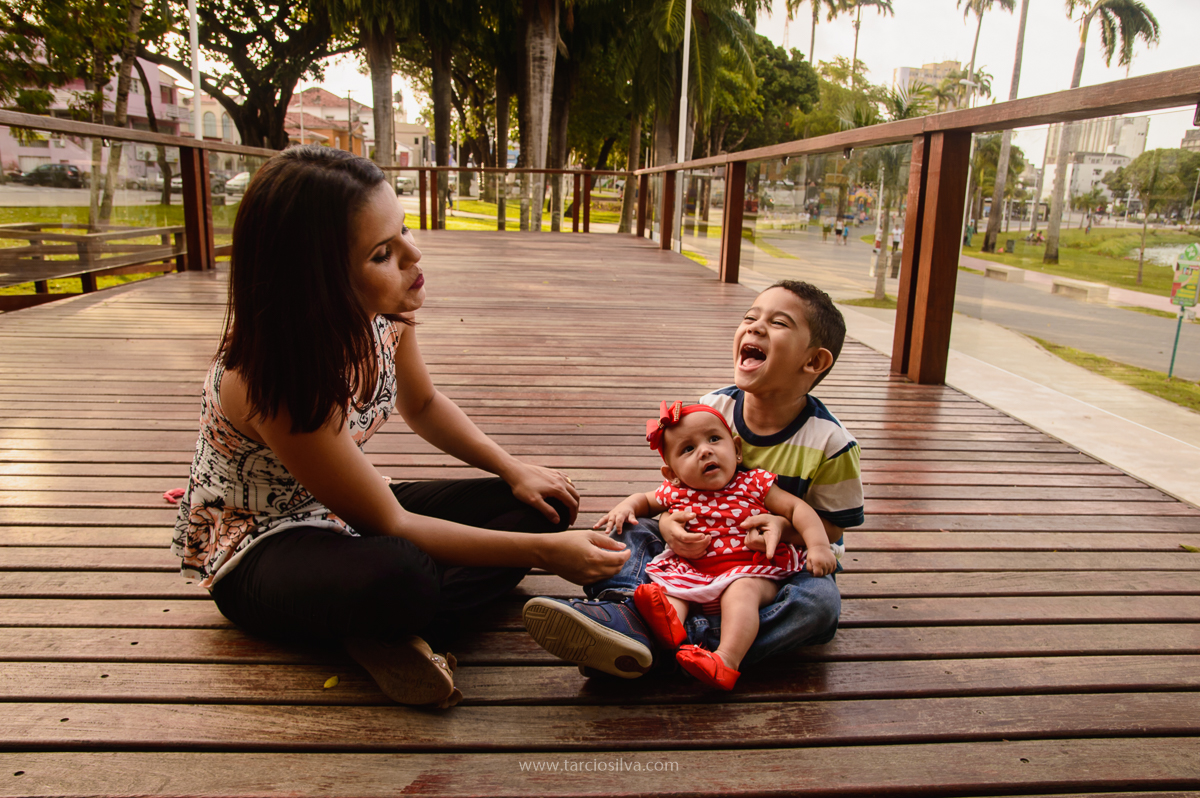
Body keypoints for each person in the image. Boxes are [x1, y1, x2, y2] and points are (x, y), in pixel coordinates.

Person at [170, 145, 628, 708]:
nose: (414, 254)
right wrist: (546, 555)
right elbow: (388, 521)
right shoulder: (273, 377)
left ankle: (385, 633)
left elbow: (426, 404)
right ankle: (381, 623)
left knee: (543, 505)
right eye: (383, 253)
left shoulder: (385, 315)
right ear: (318, 282)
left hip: (346, 510)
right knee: (405, 576)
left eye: (405, 231)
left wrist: (514, 471)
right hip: (261, 545)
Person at [522, 280, 863, 678]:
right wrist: (668, 524)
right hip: (695, 553)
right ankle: (637, 617)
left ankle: (654, 638)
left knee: (819, 605)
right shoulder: (713, 406)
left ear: (814, 362)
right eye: (750, 317)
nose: (754, 327)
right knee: (630, 533)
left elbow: (833, 528)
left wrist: (786, 527)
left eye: (778, 322)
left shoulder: (831, 442)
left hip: (772, 566)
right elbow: (678, 488)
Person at [589, 400, 837, 690]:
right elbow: (644, 500)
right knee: (666, 591)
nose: (705, 450)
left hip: (751, 570)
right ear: (672, 474)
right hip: (693, 573)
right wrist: (625, 507)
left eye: (714, 439)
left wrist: (819, 546)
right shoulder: (677, 492)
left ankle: (725, 659)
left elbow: (798, 509)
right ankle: (667, 631)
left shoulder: (753, 484)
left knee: (741, 591)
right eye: (688, 449)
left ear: (737, 449)